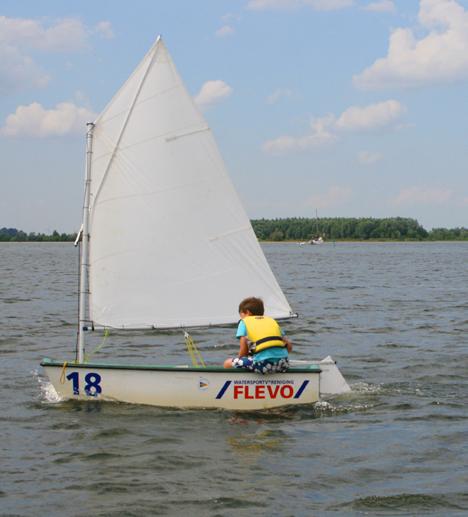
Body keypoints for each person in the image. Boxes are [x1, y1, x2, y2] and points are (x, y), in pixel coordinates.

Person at [223, 296, 292, 374]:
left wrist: (240, 360)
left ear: (247, 312)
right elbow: (289, 346)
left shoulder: (244, 322)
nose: (241, 318)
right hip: (283, 364)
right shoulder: (271, 321)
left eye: (241, 315)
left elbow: (243, 352)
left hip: (263, 365)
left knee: (227, 363)